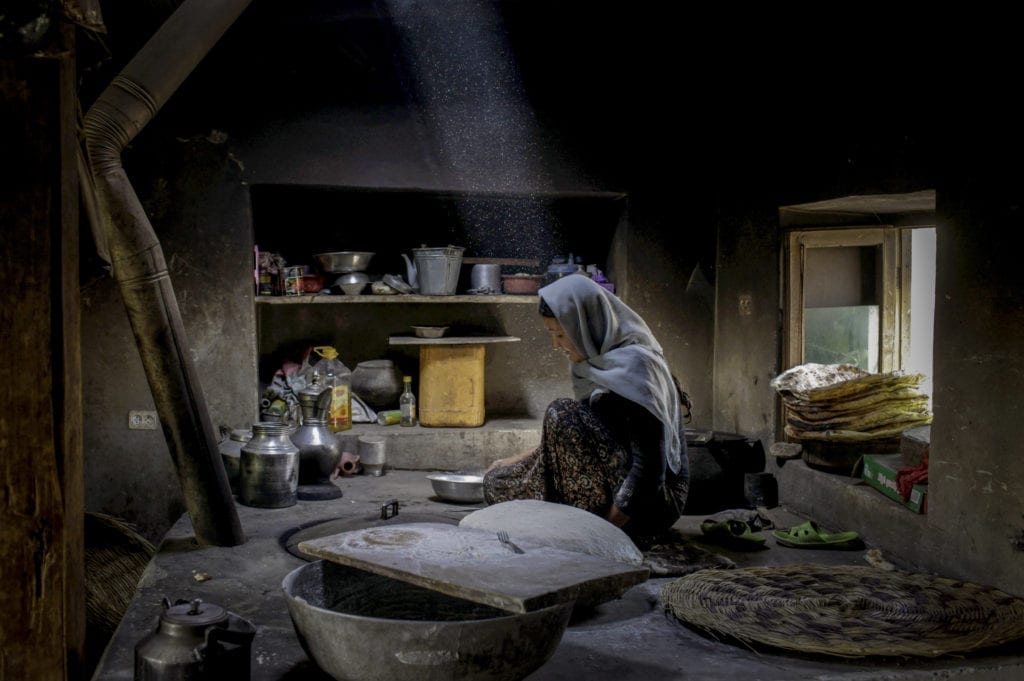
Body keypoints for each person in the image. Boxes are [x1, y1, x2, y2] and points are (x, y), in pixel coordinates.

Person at [484, 274, 689, 538]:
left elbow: (649, 472)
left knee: (561, 412)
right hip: (609, 477)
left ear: (585, 325)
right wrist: (509, 460)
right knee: (496, 483)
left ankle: (585, 523)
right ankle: (572, 518)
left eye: (561, 334)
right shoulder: (592, 365)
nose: (555, 345)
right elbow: (576, 438)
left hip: (648, 503)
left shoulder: (638, 368)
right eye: (551, 334)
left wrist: (602, 535)